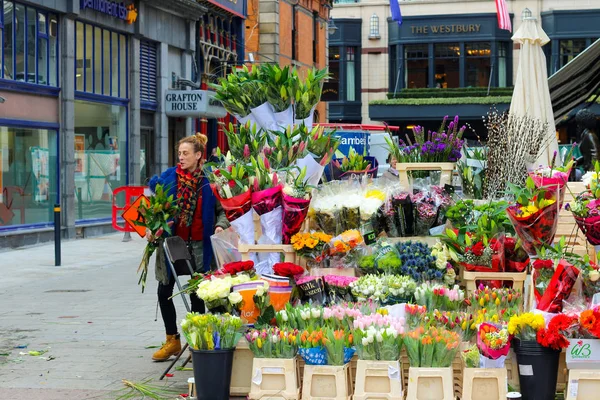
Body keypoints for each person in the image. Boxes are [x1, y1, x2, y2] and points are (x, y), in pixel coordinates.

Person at [147, 133, 229, 361]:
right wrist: (151, 228)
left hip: (200, 246)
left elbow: (223, 211)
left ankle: (197, 341)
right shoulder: (169, 179)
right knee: (165, 291)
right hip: (172, 244)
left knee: (197, 293)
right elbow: (156, 210)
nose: (181, 158)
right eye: (179, 153)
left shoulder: (209, 182)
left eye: (185, 153)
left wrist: (221, 226)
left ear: (198, 155)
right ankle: (172, 340)